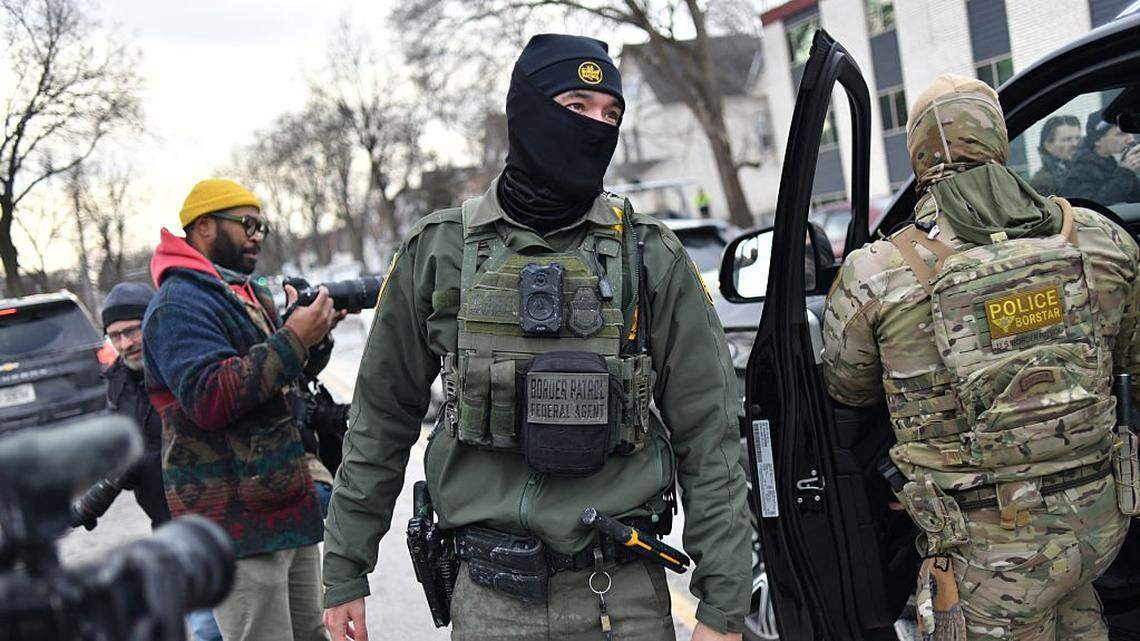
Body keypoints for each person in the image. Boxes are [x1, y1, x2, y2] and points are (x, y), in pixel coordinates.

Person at [321, 34, 750, 641]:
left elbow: (710, 433)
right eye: (576, 106)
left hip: (621, 597)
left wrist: (723, 608)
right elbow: (380, 419)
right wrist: (345, 567)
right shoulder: (439, 250)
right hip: (490, 599)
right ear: (526, 111)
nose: (596, 127)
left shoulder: (649, 253)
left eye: (611, 114)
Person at [822, 75, 1135, 640]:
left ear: (918, 155)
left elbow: (849, 388)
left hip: (986, 552)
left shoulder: (875, 273)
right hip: (1100, 521)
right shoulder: (1099, 240)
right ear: (999, 140)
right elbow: (1130, 358)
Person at [143, 178, 340, 641]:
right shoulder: (177, 304)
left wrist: (314, 336)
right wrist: (294, 338)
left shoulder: (239, 292)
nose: (257, 236)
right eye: (247, 224)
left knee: (312, 634)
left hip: (285, 505)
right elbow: (210, 398)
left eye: (261, 227)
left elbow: (278, 380)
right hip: (236, 524)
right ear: (204, 226)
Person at [1060, 111, 1140, 204]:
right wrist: (1126, 172)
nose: (1131, 139)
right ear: (1097, 140)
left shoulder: (1110, 161)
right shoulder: (1081, 170)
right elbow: (1094, 205)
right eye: (1121, 134)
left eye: (1130, 132)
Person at [1029, 114, 1080, 195]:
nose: (1075, 144)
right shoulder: (1043, 182)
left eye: (1077, 138)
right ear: (1048, 146)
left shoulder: (1083, 171)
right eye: (1067, 139)